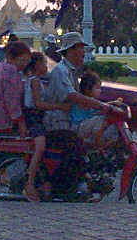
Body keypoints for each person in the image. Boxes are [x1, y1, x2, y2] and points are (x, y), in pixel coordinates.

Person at [43, 32, 112, 200]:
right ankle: (53, 188)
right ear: (71, 50)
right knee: (76, 153)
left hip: (67, 119)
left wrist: (103, 105)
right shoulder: (61, 71)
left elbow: (80, 99)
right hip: (56, 121)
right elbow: (72, 95)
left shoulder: (71, 71)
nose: (83, 52)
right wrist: (98, 104)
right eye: (80, 48)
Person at [21, 51, 67, 202]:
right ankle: (29, 183)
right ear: (38, 65)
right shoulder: (34, 81)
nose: (47, 67)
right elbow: (39, 104)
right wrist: (58, 107)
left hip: (39, 117)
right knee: (40, 147)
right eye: (44, 64)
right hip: (34, 118)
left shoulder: (37, 81)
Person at [71, 70, 119, 149]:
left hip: (87, 127)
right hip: (78, 128)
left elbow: (100, 107)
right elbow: (97, 106)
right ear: (87, 89)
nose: (99, 91)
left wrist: (113, 103)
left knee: (110, 124)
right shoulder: (84, 101)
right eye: (97, 88)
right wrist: (108, 105)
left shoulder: (92, 101)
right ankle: (97, 144)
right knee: (97, 120)